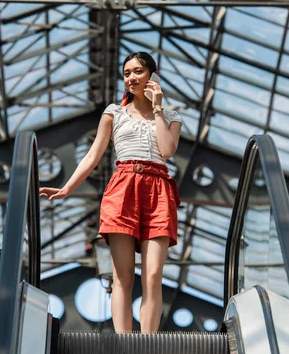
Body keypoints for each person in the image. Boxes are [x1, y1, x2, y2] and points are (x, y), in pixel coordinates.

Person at [39, 52, 182, 333]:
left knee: (153, 275)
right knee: (123, 276)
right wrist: (67, 188)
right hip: (123, 189)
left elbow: (166, 151)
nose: (131, 78)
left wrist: (157, 109)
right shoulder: (113, 112)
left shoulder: (171, 117)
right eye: (127, 73)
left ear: (153, 76)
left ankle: (148, 345)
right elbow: (93, 155)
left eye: (138, 71)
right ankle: (124, 343)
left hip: (158, 190)